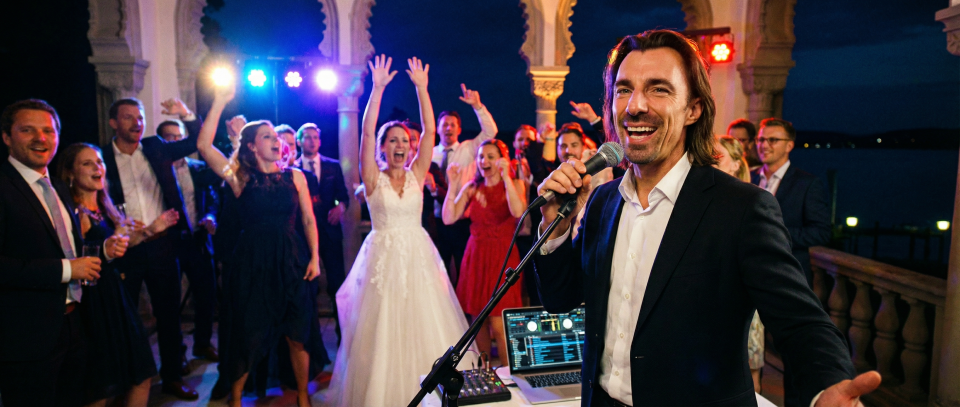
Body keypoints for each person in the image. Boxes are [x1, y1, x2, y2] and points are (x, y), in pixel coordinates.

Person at [533, 29, 879, 407]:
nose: (635, 105)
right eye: (623, 89)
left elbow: (800, 321)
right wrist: (556, 227)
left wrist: (828, 385)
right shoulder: (602, 201)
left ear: (693, 109)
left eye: (659, 89)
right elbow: (560, 299)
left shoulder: (741, 208)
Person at [327, 55, 476, 406]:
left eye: (404, 141)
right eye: (392, 141)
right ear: (383, 146)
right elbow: (365, 132)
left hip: (418, 258)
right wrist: (377, 89)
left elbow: (430, 131)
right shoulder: (371, 178)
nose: (400, 146)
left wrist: (422, 89)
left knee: (423, 325)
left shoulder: (417, 174)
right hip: (382, 260)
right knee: (382, 331)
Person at [197, 80, 325, 407]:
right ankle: (236, 399)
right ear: (252, 146)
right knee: (249, 334)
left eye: (275, 137)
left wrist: (314, 257)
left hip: (291, 261)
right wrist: (219, 102)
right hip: (252, 263)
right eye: (267, 136)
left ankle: (302, 397)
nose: (276, 141)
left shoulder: (295, 176)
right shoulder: (240, 176)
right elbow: (204, 146)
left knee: (297, 334)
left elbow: (308, 220)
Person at [0, 99, 126, 407]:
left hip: (74, 324)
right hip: (27, 336)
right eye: (27, 130)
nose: (40, 138)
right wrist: (68, 270)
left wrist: (103, 252)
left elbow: (64, 246)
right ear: (6, 137)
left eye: (48, 131)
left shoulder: (57, 187)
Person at [57, 142, 179, 407]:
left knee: (140, 374)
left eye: (99, 162)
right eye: (87, 163)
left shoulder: (104, 207)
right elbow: (80, 255)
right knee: (102, 385)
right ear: (70, 173)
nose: (97, 167)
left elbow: (118, 246)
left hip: (115, 294)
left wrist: (149, 230)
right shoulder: (74, 213)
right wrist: (109, 246)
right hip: (95, 301)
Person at [100, 97, 202, 399]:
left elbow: (196, 141)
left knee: (169, 315)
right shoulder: (102, 157)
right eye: (128, 117)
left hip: (162, 246)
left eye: (140, 117)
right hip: (126, 248)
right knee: (125, 317)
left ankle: (172, 377)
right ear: (113, 123)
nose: (137, 123)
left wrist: (185, 114)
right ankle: (127, 381)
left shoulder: (156, 148)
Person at [443, 138, 527, 366]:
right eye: (481, 156)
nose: (484, 161)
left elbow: (518, 211)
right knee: (477, 322)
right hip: (477, 255)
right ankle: (485, 374)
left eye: (490, 156)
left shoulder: (514, 184)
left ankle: (509, 375)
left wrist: (506, 177)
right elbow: (448, 218)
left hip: (502, 256)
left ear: (502, 159)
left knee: (500, 323)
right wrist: (453, 185)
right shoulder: (472, 187)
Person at [157, 120, 221, 364]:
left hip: (198, 239)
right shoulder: (157, 171)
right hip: (169, 242)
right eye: (169, 137)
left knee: (206, 296)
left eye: (179, 136)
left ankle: (202, 344)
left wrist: (211, 216)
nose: (176, 141)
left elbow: (213, 199)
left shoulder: (198, 167)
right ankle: (177, 354)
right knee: (170, 302)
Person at [752, 118, 831, 289]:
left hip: (787, 276)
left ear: (789, 145)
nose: (764, 145)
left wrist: (775, 234)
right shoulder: (749, 178)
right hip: (750, 272)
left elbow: (821, 232)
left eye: (773, 140)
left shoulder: (807, 184)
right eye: (761, 139)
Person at [432, 83, 499, 285]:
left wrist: (477, 106)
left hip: (462, 220)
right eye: (444, 124)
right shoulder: (430, 154)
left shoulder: (469, 149)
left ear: (459, 129)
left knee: (464, 269)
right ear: (437, 128)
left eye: (452, 125)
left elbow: (491, 132)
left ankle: (463, 305)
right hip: (435, 220)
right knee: (437, 271)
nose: (448, 128)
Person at [713, 135, 764, 393]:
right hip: (714, 296)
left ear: (735, 164)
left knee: (748, 368)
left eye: (717, 156)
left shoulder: (751, 202)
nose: (710, 161)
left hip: (743, 296)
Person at [293, 122, 349, 345]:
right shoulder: (293, 167)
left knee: (337, 284)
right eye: (307, 137)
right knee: (308, 288)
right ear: (299, 141)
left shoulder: (333, 166)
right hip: (303, 235)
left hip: (330, 232)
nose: (312, 141)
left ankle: (342, 337)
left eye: (315, 137)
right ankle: (311, 340)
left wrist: (340, 207)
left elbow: (343, 196)